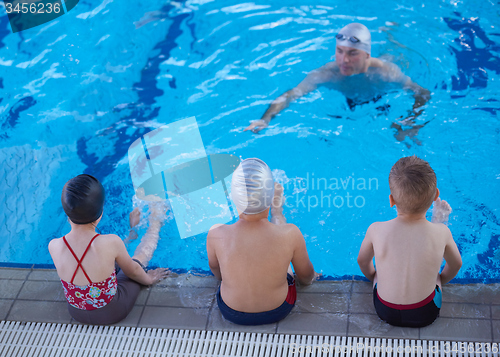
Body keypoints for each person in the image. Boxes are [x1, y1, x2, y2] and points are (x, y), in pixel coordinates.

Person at [245, 23, 431, 140]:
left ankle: (392, 35)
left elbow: (423, 93)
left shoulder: (385, 73)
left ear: (366, 55)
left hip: (381, 93)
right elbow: (291, 95)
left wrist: (409, 120)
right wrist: (265, 119)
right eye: (339, 51)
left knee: (394, 54)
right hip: (355, 102)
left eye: (352, 53)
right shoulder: (327, 74)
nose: (344, 60)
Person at [206, 158, 319, 325]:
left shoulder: (216, 233)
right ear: (269, 197)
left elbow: (217, 273)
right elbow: (305, 277)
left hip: (230, 311)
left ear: (233, 199)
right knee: (284, 249)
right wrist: (311, 277)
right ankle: (277, 211)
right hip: (278, 309)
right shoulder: (291, 234)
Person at [48, 174, 169, 325]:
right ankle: (155, 223)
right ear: (101, 213)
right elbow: (133, 272)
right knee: (137, 261)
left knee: (112, 254)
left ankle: (133, 232)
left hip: (76, 311)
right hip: (112, 311)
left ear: (67, 213)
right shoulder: (110, 242)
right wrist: (149, 279)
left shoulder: (54, 245)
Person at [357, 156, 462, 327]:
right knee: (435, 275)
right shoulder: (443, 233)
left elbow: (362, 261)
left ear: (391, 200)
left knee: (377, 275)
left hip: (384, 310)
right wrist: (439, 280)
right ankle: (436, 220)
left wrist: (374, 277)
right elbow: (456, 264)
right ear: (436, 195)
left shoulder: (375, 229)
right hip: (426, 312)